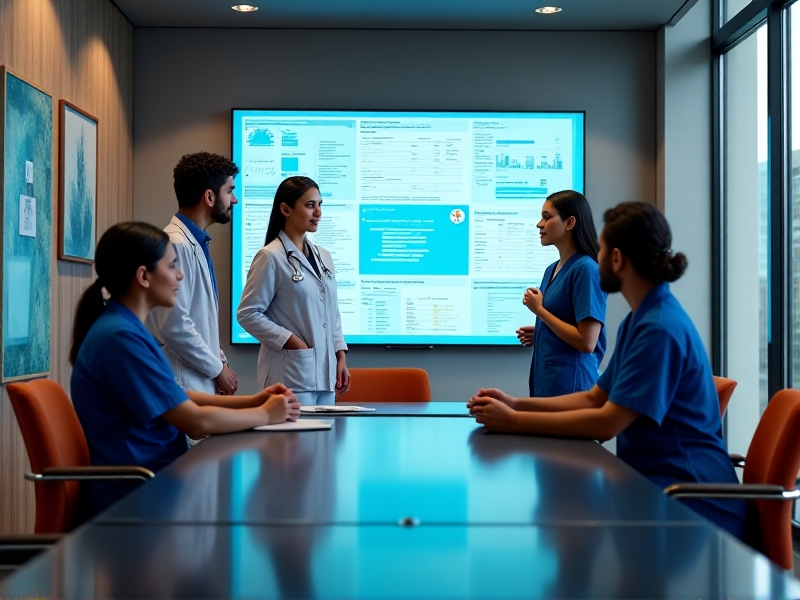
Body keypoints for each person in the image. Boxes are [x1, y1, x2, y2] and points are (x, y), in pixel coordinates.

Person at [469, 202, 746, 539]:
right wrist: (515, 403)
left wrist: (513, 421)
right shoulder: (641, 319)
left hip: (690, 500)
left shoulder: (659, 328)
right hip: (657, 483)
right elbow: (595, 397)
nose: (594, 258)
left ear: (617, 259)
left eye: (600, 250)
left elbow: (607, 422)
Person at [70, 222, 300, 515]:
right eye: (171, 266)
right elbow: (195, 422)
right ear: (143, 276)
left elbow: (177, 396)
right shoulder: (120, 338)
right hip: (140, 495)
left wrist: (254, 401)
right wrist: (266, 415)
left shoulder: (125, 329)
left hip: (159, 479)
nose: (179, 275)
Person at [237, 176, 349, 405]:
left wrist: (340, 355)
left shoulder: (324, 256)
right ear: (286, 209)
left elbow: (333, 313)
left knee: (323, 440)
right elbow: (247, 313)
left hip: (326, 376)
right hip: (290, 374)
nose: (318, 212)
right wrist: (291, 341)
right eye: (310, 205)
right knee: (294, 441)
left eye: (320, 205)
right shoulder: (270, 257)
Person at [145, 152, 239, 396]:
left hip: (198, 382)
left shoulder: (195, 243)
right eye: (229, 191)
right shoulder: (175, 244)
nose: (234, 199)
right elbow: (175, 324)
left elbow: (200, 320)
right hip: (182, 384)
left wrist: (220, 361)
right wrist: (218, 370)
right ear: (209, 196)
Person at [516, 190, 607, 396]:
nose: (539, 224)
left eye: (547, 218)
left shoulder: (585, 269)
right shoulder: (551, 269)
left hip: (573, 388)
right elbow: (567, 323)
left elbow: (587, 342)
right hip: (549, 385)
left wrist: (540, 311)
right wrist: (542, 331)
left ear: (570, 222)